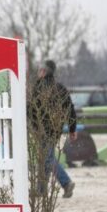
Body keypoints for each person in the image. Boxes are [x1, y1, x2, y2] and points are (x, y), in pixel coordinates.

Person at [29, 60, 77, 198]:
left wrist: (31, 125)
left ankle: (66, 182)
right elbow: (70, 110)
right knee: (44, 158)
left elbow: (32, 110)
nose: (38, 72)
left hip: (42, 129)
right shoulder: (60, 88)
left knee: (48, 158)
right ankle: (41, 190)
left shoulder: (39, 88)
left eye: (40, 70)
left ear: (44, 71)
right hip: (56, 129)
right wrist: (72, 129)